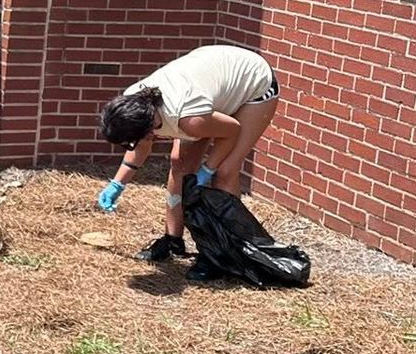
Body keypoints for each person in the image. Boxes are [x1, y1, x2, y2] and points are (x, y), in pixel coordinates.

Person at [95, 43, 281, 261]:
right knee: (179, 162)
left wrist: (207, 170)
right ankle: (173, 241)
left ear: (148, 130)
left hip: (253, 83)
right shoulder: (133, 103)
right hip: (210, 85)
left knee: (225, 170)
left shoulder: (189, 119)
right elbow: (141, 146)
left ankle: (232, 253)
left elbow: (232, 131)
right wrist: (118, 184)